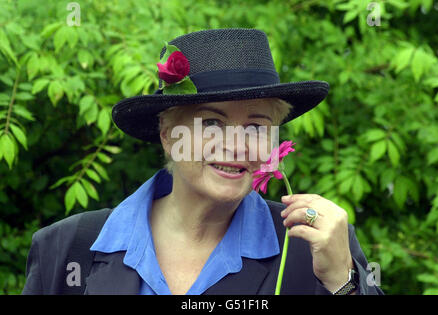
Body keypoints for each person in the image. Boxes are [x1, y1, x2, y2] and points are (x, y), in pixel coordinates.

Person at [22, 28, 383, 295]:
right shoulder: (67, 248)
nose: (238, 146)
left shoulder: (315, 246)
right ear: (168, 134)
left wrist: (343, 282)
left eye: (257, 126)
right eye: (212, 123)